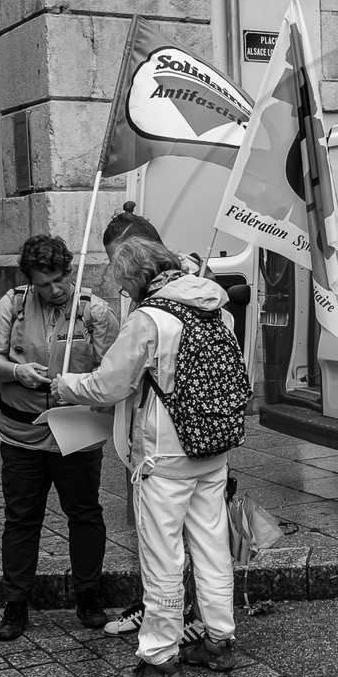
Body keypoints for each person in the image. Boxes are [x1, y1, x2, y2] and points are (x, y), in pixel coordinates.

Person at [52, 238, 243, 677]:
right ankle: (219, 641)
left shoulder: (150, 318)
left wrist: (66, 385)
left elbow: (109, 384)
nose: (124, 292)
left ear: (138, 278)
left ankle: (159, 658)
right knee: (212, 547)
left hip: (165, 455)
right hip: (212, 446)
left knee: (162, 558)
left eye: (124, 283)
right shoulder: (218, 308)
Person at [0, 235, 120, 641]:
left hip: (76, 434)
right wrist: (16, 371)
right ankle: (15, 604)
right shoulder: (13, 304)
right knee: (21, 519)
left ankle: (88, 595)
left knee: (85, 513)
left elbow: (114, 373)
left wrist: (82, 385)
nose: (55, 290)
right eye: (44, 284)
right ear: (31, 281)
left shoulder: (95, 311)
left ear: (70, 271)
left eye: (60, 280)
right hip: (21, 434)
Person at [97, 203, 209, 643]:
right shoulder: (141, 291)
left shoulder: (191, 284)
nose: (119, 273)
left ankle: (175, 628)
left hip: (177, 434)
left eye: (122, 260)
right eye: (113, 262)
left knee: (178, 537)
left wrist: (82, 386)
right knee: (150, 531)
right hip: (143, 432)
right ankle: (160, 609)